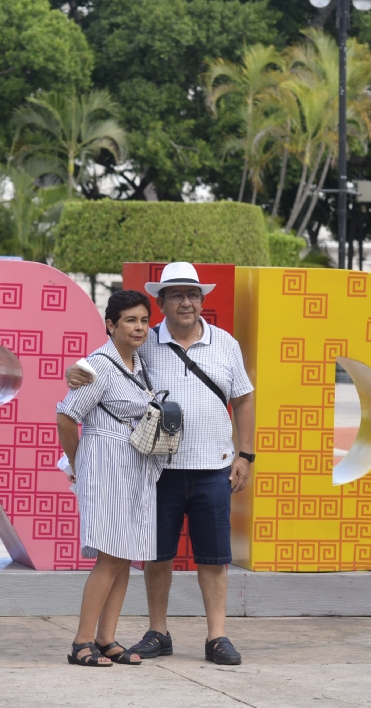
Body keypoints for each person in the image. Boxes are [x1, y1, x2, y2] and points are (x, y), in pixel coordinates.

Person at [65, 262, 255, 665]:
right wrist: (75, 370)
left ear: (202, 300)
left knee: (214, 556)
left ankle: (216, 636)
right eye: (176, 295)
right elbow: (99, 362)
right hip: (156, 470)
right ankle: (157, 631)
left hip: (213, 465)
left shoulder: (226, 344)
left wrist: (245, 454)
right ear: (162, 302)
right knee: (156, 556)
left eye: (193, 294)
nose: (186, 302)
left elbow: (243, 398)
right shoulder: (143, 339)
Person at [54, 290, 163, 667]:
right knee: (110, 556)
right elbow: (67, 416)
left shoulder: (139, 365)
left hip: (134, 467)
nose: (139, 327)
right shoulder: (98, 366)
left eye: (144, 320)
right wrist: (78, 463)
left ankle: (106, 638)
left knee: (123, 557)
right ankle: (82, 642)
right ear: (110, 325)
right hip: (105, 466)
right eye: (130, 320)